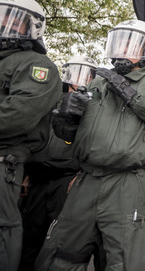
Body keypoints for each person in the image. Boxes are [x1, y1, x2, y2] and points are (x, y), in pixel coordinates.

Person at [35, 19, 145, 271]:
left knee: (128, 262)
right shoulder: (98, 83)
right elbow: (71, 135)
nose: (121, 50)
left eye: (130, 45)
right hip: (86, 181)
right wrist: (66, 118)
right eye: (118, 43)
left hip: (128, 183)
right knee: (59, 255)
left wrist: (126, 89)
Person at [18, 56, 98, 271]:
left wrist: (80, 177)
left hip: (68, 180)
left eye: (86, 74)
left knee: (58, 236)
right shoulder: (51, 101)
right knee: (29, 234)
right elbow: (34, 140)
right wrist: (26, 176)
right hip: (38, 178)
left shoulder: (93, 108)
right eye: (74, 73)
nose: (78, 79)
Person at [0, 0, 62, 271]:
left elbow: (17, 115)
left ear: (33, 28)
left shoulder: (36, 64)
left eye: (15, 21)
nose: (6, 25)